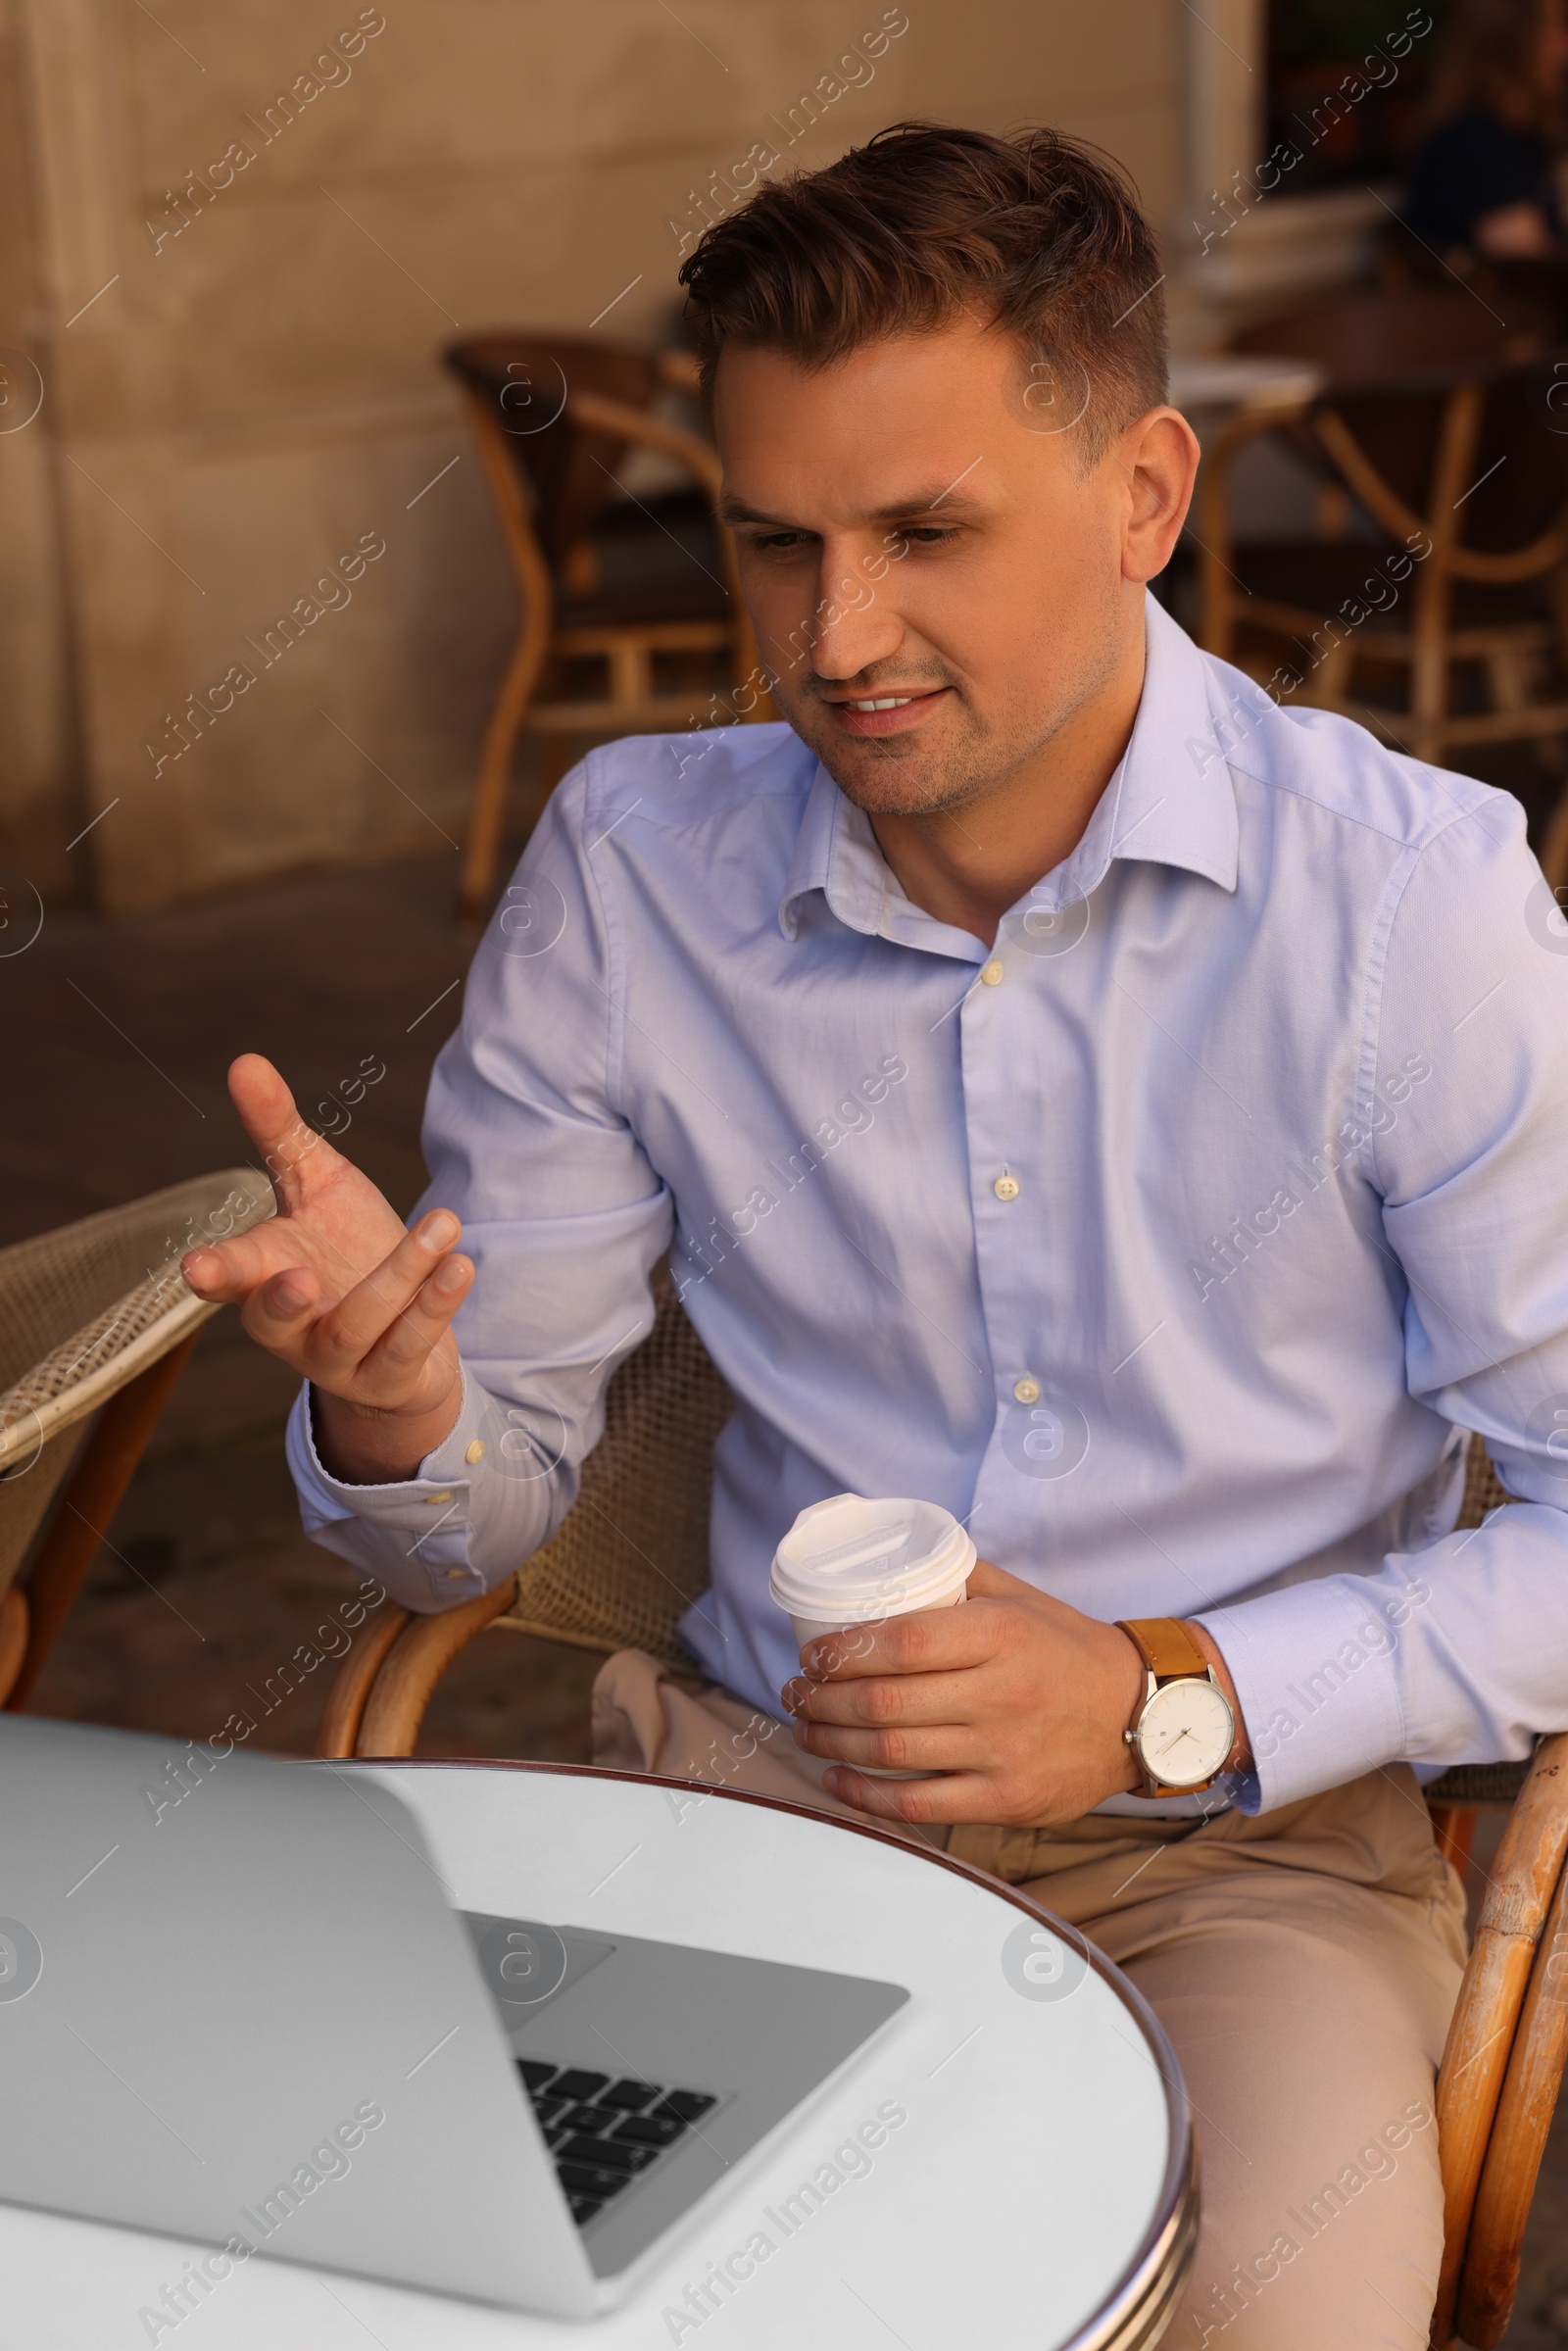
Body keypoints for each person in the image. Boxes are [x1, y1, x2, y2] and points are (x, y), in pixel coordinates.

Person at [183, 124, 1568, 2346]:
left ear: (1142, 495)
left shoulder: (1408, 906)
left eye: (926, 532)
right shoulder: (636, 865)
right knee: (396, 2276)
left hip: (1249, 1854)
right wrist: (402, 1396)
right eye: (771, 540)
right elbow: (468, 1526)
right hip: (754, 1798)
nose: (831, 639)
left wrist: (1165, 1695)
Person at [1405, 0, 1568, 256]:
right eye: (1553, 29)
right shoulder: (1472, 142)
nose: (1563, 47)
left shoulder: (1521, 135)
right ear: (1510, 44)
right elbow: (1532, 273)